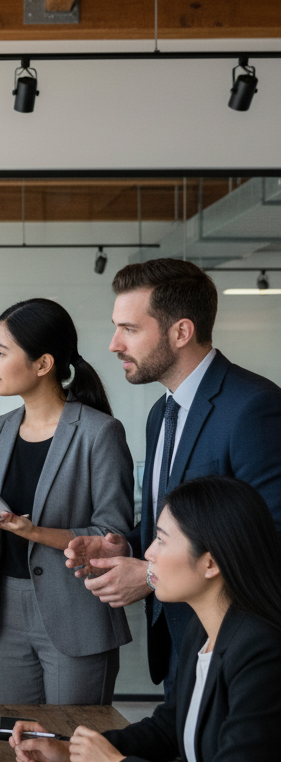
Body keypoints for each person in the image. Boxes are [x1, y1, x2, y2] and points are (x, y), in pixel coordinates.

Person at [12, 476, 281, 762]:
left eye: (161, 539)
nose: (148, 553)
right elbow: (170, 728)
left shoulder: (261, 650)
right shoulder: (200, 630)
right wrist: (72, 752)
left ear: (211, 562)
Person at [65, 258, 281, 696]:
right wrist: (124, 543)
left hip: (236, 653)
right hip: (180, 647)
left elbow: (268, 540)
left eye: (129, 328)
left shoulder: (253, 408)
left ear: (180, 332)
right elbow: (184, 523)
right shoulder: (159, 414)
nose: (113, 343)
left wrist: (148, 575)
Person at [0, 298, 132, 704]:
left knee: (73, 746)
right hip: (7, 609)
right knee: (24, 745)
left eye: (2, 352)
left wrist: (34, 532)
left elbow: (114, 536)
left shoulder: (98, 432)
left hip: (76, 610)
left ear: (43, 364)